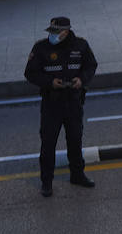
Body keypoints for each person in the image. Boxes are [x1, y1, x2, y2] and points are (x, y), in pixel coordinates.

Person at [24, 16, 99, 196]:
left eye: (57, 32)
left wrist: (81, 80)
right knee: (48, 143)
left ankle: (77, 175)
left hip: (73, 101)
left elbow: (91, 65)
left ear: (66, 32)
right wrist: (50, 82)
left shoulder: (80, 46)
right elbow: (30, 73)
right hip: (52, 103)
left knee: (75, 140)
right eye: (51, 31)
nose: (53, 35)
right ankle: (47, 182)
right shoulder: (41, 48)